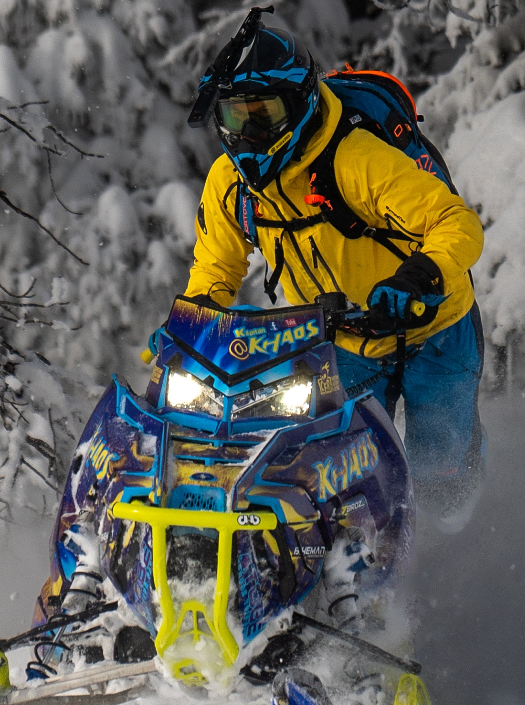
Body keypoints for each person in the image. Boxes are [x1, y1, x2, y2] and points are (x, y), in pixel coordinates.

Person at [181, 19, 486, 532]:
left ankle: (460, 552)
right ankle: (348, 578)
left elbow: (457, 223)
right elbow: (215, 266)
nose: (249, 136)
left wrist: (418, 277)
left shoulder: (354, 160)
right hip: (344, 343)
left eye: (265, 115)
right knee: (339, 483)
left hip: (434, 327)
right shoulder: (231, 185)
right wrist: (195, 330)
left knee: (442, 477)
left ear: (298, 104)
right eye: (237, 117)